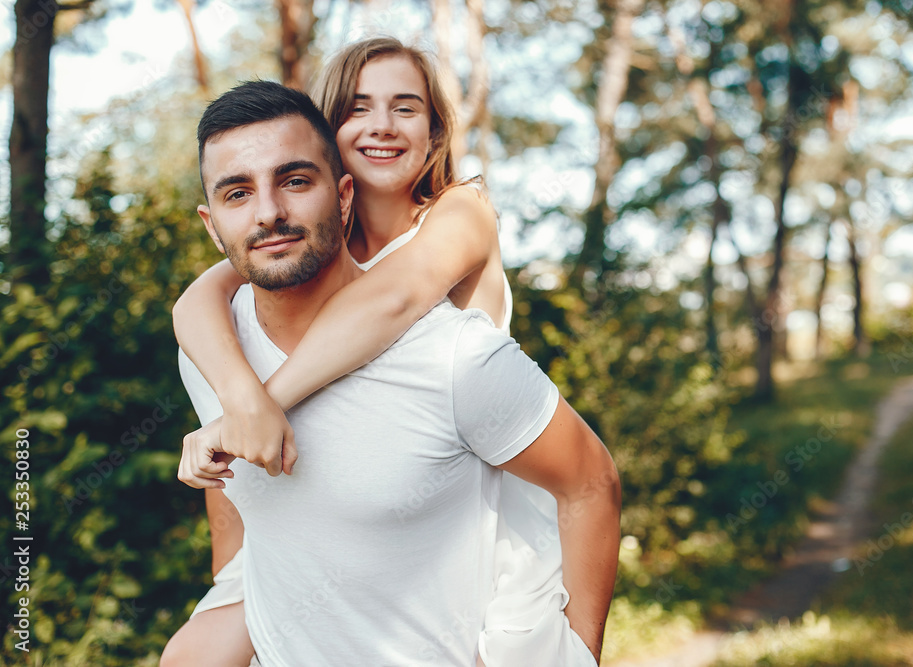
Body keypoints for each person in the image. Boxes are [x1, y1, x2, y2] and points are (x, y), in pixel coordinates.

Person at [163, 79, 620, 666]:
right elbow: (240, 504)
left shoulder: (454, 355)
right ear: (211, 225)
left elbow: (591, 482)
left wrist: (575, 656)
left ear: (344, 196)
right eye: (238, 193)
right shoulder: (210, 352)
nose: (269, 213)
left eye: (295, 181)